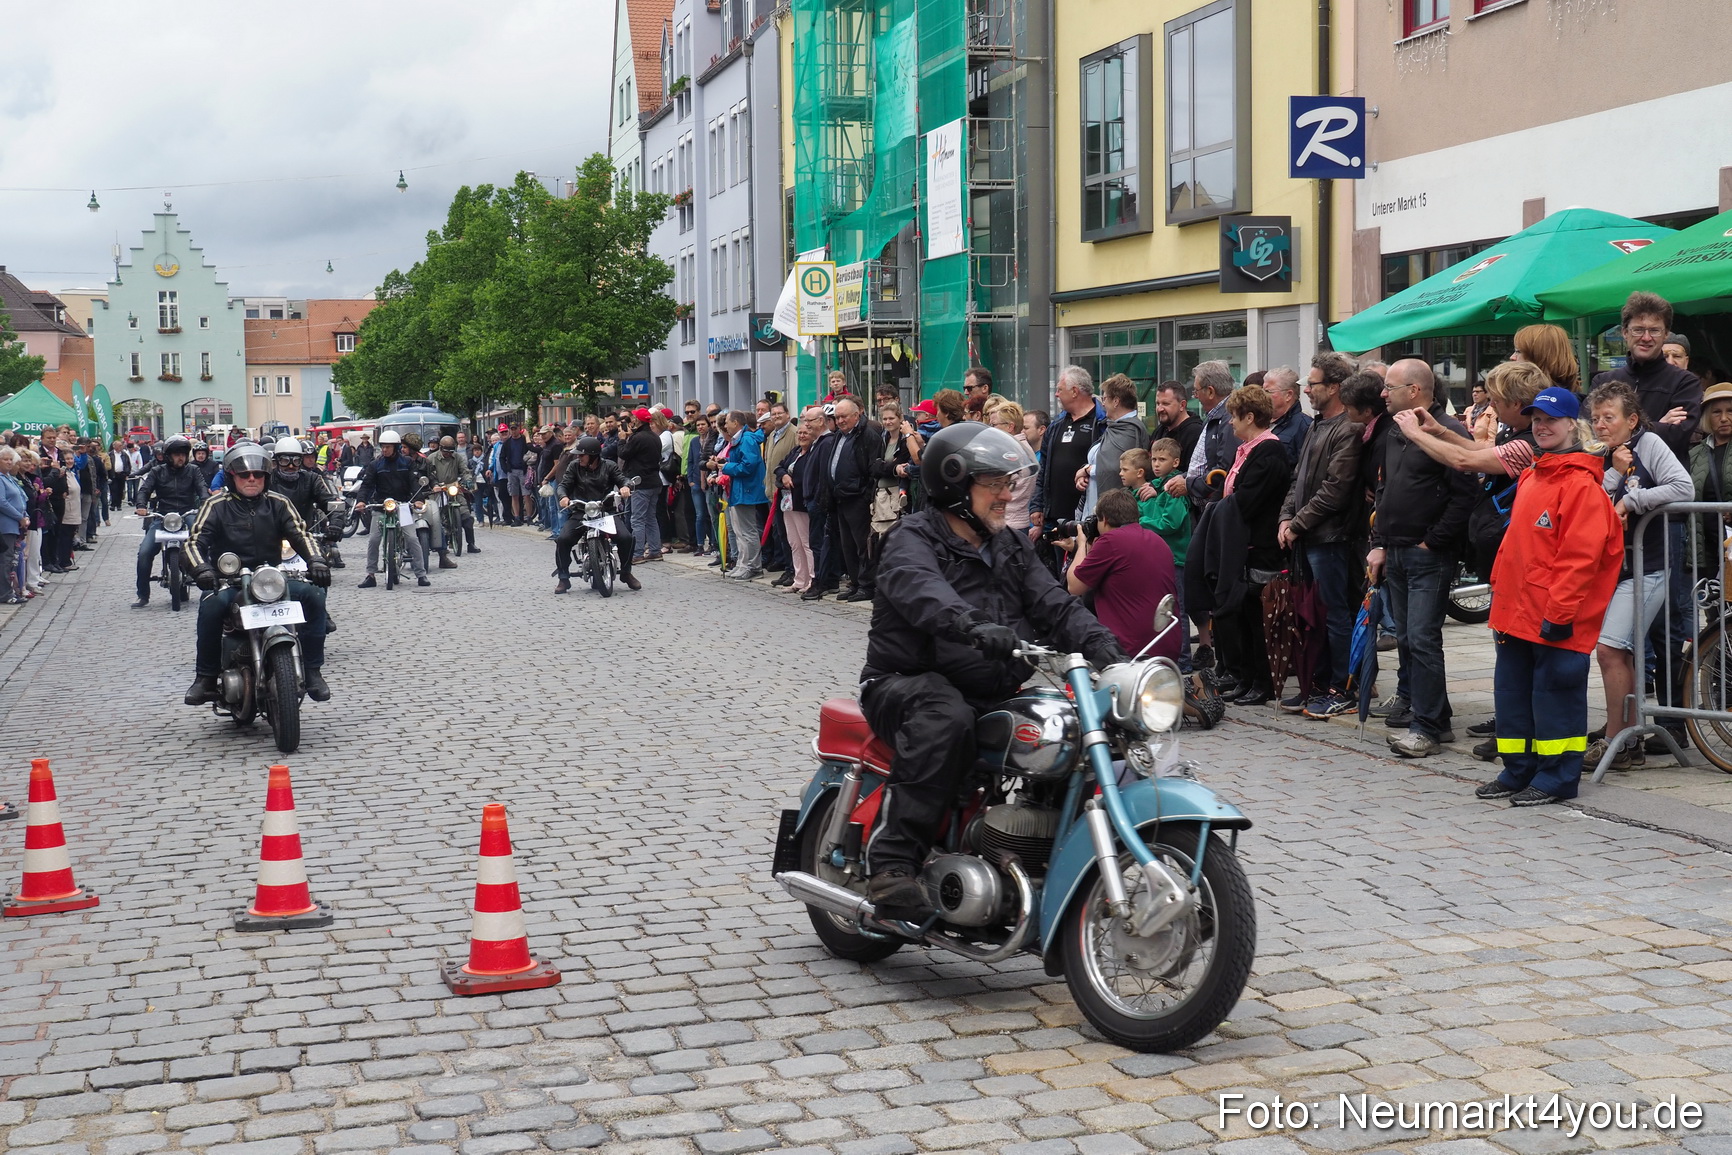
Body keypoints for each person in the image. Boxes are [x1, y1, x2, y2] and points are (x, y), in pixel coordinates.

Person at [859, 423, 1124, 918]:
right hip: (904, 684)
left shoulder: (1010, 545)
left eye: (1009, 483)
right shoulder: (910, 539)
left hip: (989, 688)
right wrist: (973, 625)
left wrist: (1110, 652)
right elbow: (923, 593)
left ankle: (1029, 848)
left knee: (1065, 731)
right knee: (947, 716)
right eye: (994, 485)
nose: (1007, 494)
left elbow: (1055, 605)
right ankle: (892, 865)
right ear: (956, 487)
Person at [1475, 389, 1623, 806]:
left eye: (1550, 420)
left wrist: (1559, 615)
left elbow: (1580, 562)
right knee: (1513, 696)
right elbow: (1516, 545)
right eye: (1536, 418)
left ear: (1573, 425)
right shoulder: (1534, 475)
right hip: (1517, 612)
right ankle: (1518, 770)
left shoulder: (1581, 487)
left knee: (1555, 697)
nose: (1541, 426)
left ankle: (1557, 778)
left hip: (1556, 617)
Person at [1367, 359, 1478, 756]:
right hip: (1396, 548)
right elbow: (1384, 488)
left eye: (1390, 387)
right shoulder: (1395, 430)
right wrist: (1379, 541)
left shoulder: (1446, 430)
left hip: (1426, 553)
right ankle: (1436, 716)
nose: (1383, 393)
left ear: (1415, 390)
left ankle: (1427, 725)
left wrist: (1434, 540)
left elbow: (1464, 492)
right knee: (1409, 640)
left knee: (1423, 638)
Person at [1585, 381, 1693, 771]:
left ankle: (1617, 738)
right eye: (1595, 418)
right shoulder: (1603, 454)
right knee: (1621, 651)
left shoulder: (1649, 444)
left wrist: (1634, 499)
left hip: (1651, 564)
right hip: (1617, 567)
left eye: (1608, 418)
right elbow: (1596, 502)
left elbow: (1684, 486)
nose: (1600, 425)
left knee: (1610, 648)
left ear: (1631, 420)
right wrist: (1614, 478)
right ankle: (1628, 741)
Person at [183, 443, 332, 705]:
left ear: (266, 477)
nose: (252, 479)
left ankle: (313, 671)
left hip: (270, 580)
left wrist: (317, 560)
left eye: (258, 475)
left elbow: (301, 533)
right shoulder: (216, 505)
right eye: (244, 475)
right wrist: (202, 569)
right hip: (230, 582)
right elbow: (194, 542)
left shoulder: (279, 503)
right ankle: (205, 677)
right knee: (210, 606)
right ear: (232, 477)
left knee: (314, 596)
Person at [1192, 386, 1291, 705]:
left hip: (1259, 547)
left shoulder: (1270, 450)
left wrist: (1221, 505)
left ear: (1250, 417)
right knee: (1242, 617)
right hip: (1240, 547)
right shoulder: (1246, 449)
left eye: (1235, 417)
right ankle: (1246, 677)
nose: (1230, 424)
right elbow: (1228, 492)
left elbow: (1247, 501)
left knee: (1255, 619)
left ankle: (1263, 682)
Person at [1277, 352, 1362, 718]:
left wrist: (1297, 524)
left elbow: (1335, 489)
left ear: (1335, 387)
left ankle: (1342, 687)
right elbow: (1298, 479)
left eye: (1312, 384)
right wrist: (1285, 518)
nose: (1306, 390)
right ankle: (1317, 682)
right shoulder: (1316, 425)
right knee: (1313, 615)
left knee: (1335, 614)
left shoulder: (1349, 428)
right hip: (1308, 537)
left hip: (1331, 538)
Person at [1065, 487, 1180, 662]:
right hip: (1166, 645)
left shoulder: (1111, 541)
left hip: (1130, 651)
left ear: (1104, 519)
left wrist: (1081, 545)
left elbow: (1074, 587)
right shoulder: (1156, 539)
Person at [553, 436, 640, 593]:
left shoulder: (609, 466)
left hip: (605, 511)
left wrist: (626, 487)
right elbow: (563, 485)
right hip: (581, 511)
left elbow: (622, 479)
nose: (578, 457)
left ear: (593, 455)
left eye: (582, 455)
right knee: (563, 539)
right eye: (578, 455)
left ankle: (626, 573)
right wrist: (563, 497)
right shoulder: (574, 467)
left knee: (626, 538)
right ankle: (563, 578)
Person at [818, 397, 884, 600]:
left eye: (843, 416)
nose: (839, 420)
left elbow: (873, 469)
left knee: (863, 545)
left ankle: (866, 585)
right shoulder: (840, 435)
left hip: (857, 498)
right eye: (837, 417)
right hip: (841, 497)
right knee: (847, 545)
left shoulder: (868, 436)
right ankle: (855, 582)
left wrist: (865, 495)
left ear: (857, 415)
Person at [1029, 366, 1103, 543]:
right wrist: (1037, 506)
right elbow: (1044, 469)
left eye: (1059, 390)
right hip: (1054, 518)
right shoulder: (1056, 425)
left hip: (1087, 518)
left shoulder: (1101, 423)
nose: (1056, 394)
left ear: (1075, 392)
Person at [131, 436, 207, 609]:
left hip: (188, 513)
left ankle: (210, 590)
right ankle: (142, 594)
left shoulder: (193, 471)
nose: (180, 457)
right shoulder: (157, 471)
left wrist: (205, 503)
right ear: (168, 456)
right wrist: (141, 505)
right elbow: (144, 490)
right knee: (144, 552)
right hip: (163, 516)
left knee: (203, 544)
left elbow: (202, 489)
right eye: (176, 454)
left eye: (183, 454)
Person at [354, 430, 430, 587]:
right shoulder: (375, 465)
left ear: (395, 447)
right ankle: (371, 575)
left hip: (402, 505)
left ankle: (421, 574)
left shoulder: (407, 462)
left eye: (388, 447)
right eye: (382, 447)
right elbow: (367, 485)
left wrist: (419, 499)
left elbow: (414, 482)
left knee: (412, 538)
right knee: (374, 539)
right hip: (381, 505)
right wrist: (361, 501)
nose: (384, 450)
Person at [1078, 374, 1148, 518]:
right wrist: (1085, 472)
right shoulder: (1113, 427)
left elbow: (1115, 468)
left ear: (1116, 401)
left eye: (1104, 399)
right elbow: (1102, 460)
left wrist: (1087, 470)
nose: (1102, 404)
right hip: (1094, 501)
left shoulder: (1131, 429)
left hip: (1115, 511)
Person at [1179, 361, 1239, 506]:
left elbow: (1222, 470)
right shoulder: (1214, 416)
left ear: (1210, 391)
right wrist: (1185, 478)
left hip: (1216, 504)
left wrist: (1189, 485)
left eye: (1196, 391)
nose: (1195, 396)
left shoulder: (1229, 418)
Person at [718, 410, 769, 579]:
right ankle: (743, 563)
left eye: (727, 422)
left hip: (746, 489)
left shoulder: (746, 439)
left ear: (736, 423)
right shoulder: (741, 439)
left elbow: (748, 465)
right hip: (740, 489)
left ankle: (754, 566)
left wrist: (725, 467)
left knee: (748, 531)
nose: (725, 426)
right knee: (740, 531)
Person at [424, 435, 477, 563]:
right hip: (438, 491)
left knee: (466, 516)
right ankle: (441, 543)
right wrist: (435, 485)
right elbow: (429, 474)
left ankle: (471, 544)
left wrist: (468, 481)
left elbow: (464, 471)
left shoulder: (457, 457)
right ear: (440, 448)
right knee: (437, 517)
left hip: (454, 488)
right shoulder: (431, 458)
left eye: (451, 451)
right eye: (446, 451)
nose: (448, 454)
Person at [620, 408, 664, 562]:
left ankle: (637, 553)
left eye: (633, 418)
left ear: (637, 421)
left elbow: (623, 454)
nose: (631, 421)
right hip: (654, 481)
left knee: (637, 519)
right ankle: (655, 550)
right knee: (651, 517)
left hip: (641, 482)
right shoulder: (655, 437)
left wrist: (621, 440)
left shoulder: (638, 438)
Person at [1263, 367, 1312, 466]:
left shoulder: (1305, 426)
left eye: (1268, 392)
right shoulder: (1260, 422)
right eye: (1262, 391)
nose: (1262, 396)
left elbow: (1304, 470)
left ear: (1288, 395)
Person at [1153, 380, 1204, 470]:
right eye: (1158, 403)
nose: (1160, 409)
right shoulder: (1159, 431)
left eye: (1165, 404)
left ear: (1182, 405)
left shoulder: (1195, 434)